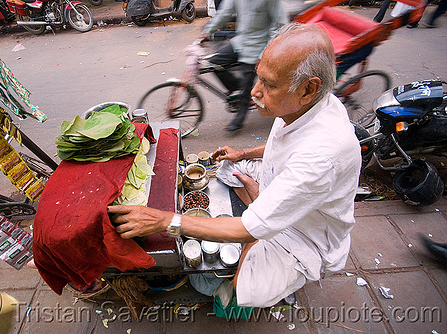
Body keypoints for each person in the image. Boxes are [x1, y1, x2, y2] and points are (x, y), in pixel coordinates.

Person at [108, 23, 362, 307]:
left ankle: (272, 240)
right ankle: (260, 204)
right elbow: (282, 145)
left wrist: (163, 220)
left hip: (303, 235)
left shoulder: (321, 155)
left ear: (308, 88)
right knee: (228, 169)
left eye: (269, 84)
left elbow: (249, 227)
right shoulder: (308, 105)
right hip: (285, 185)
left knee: (242, 288)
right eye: (259, 78)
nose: (254, 92)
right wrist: (242, 154)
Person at [200, 0, 288, 132]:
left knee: (246, 81)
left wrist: (264, 53)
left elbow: (280, 25)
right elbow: (224, 13)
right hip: (240, 42)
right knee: (215, 62)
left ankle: (240, 116)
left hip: (259, 45)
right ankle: (239, 91)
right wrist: (207, 32)